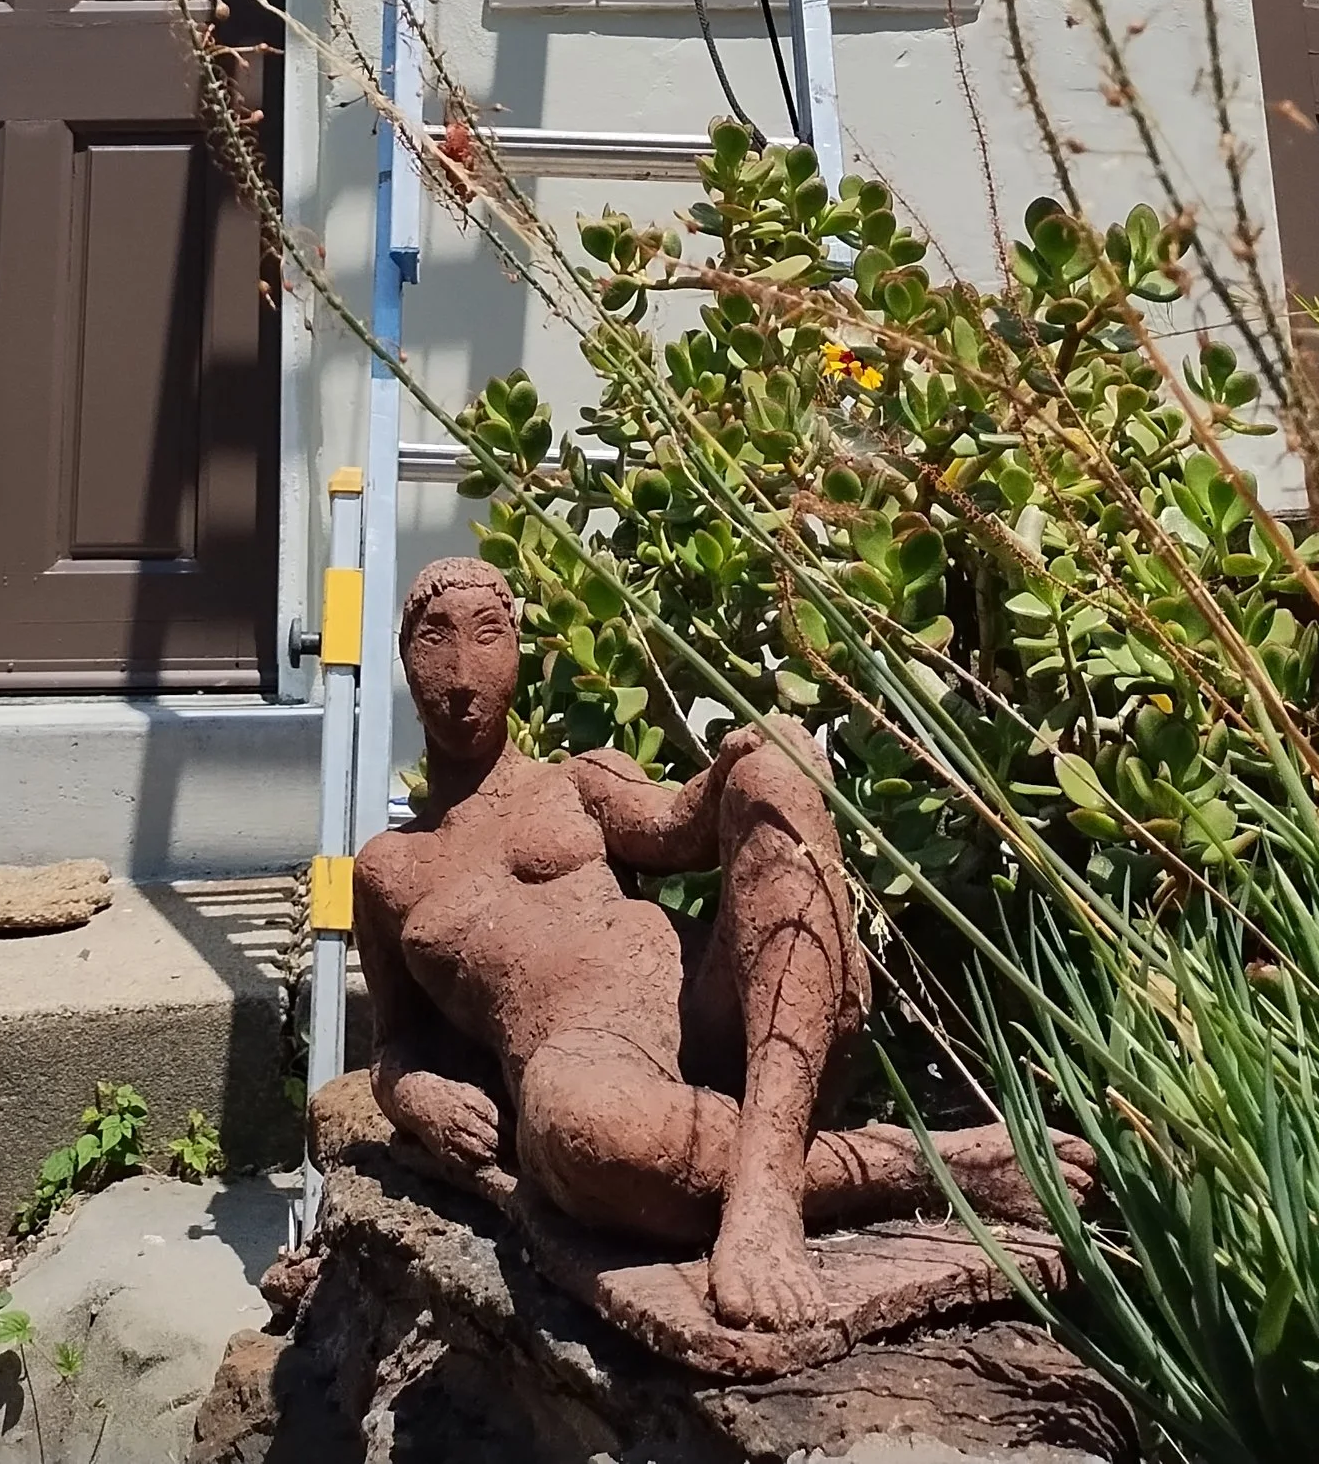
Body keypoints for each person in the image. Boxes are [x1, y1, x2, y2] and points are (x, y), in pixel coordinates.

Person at [354, 556, 1040, 1334]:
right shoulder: (390, 868)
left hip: (717, 1014)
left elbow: (681, 824)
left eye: (488, 635)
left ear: (517, 644)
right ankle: (903, 1164)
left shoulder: (574, 782)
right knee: (581, 1130)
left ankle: (765, 1197)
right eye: (433, 639)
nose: (460, 672)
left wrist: (744, 759)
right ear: (405, 657)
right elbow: (392, 1045)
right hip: (586, 1060)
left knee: (773, 779)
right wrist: (417, 1096)